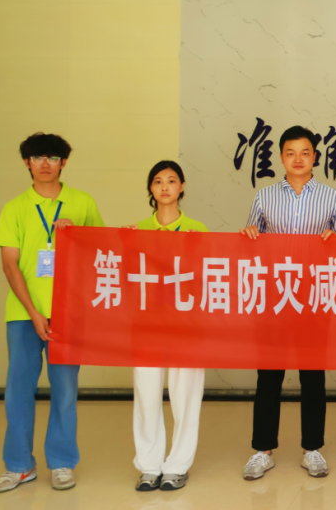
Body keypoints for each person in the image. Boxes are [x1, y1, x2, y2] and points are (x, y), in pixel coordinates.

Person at [0, 133, 104, 494]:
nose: (45, 163)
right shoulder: (14, 208)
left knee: (65, 390)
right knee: (18, 390)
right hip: (24, 314)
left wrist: (78, 234)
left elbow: (102, 254)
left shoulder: (83, 203)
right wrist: (34, 312)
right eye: (37, 157)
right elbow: (10, 265)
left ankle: (62, 462)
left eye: (53, 157)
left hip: (69, 313)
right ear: (27, 162)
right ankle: (19, 465)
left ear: (63, 163)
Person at [239, 126, 336, 481]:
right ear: (281, 157)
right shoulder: (264, 196)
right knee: (268, 374)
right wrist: (249, 235)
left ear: (315, 157)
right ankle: (262, 450)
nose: (298, 159)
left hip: (314, 297)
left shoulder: (332, 198)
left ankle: (312, 449)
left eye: (305, 152)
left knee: (312, 374)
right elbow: (249, 246)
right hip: (274, 297)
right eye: (291, 152)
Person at [124, 161, 208, 491]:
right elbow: (124, 280)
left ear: (182, 186)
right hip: (147, 326)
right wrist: (125, 244)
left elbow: (209, 278)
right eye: (158, 181)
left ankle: (177, 466)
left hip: (187, 327)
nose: (164, 187)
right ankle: (149, 465)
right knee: (146, 396)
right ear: (150, 188)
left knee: (185, 397)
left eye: (171, 181)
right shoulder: (137, 230)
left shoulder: (198, 230)